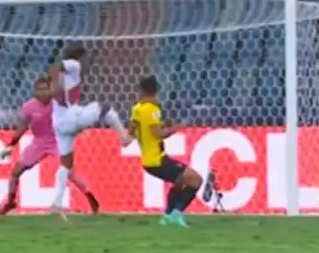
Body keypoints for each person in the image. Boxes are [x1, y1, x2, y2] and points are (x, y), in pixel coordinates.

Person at [49, 44, 131, 218]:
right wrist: (56, 86)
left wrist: (56, 85)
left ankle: (56, 202)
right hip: (72, 116)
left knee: (66, 164)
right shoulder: (75, 64)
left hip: (59, 123)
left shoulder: (68, 74)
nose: (87, 62)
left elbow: (57, 70)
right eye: (86, 58)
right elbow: (57, 66)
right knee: (105, 108)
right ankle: (123, 137)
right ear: (81, 56)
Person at [0, 76, 99, 215]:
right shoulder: (28, 107)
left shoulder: (59, 105)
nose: (43, 92)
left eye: (46, 89)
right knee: (16, 172)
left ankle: (90, 197)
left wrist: (79, 128)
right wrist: (11, 145)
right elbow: (22, 127)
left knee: (70, 172)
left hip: (57, 142)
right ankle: (10, 202)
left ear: (51, 90)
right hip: (38, 143)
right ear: (35, 92)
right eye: (40, 89)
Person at [129, 75, 214, 228]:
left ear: (141, 90)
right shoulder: (152, 109)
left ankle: (168, 216)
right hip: (157, 160)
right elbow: (158, 134)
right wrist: (177, 128)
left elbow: (132, 132)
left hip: (149, 160)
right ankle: (176, 213)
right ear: (155, 91)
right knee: (196, 180)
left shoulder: (137, 109)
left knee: (180, 181)